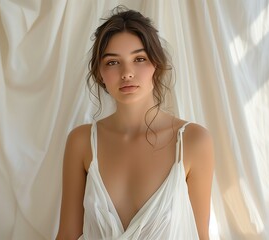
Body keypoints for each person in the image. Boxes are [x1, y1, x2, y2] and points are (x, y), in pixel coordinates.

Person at [56, 6, 214, 240]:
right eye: (112, 62)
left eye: (139, 59)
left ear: (156, 65)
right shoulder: (81, 142)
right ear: (100, 73)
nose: (127, 72)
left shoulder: (193, 141)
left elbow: (200, 236)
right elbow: (67, 235)